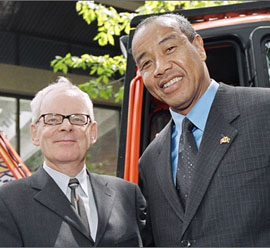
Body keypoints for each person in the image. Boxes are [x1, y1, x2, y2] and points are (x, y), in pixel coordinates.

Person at [132, 13, 270, 247]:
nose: (160, 68)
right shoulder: (149, 160)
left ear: (199, 47)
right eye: (146, 63)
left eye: (169, 49)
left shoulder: (264, 112)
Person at [0, 77, 146, 247]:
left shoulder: (128, 195)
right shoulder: (8, 201)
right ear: (35, 133)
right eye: (52, 119)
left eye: (77, 118)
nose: (66, 126)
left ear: (92, 132)